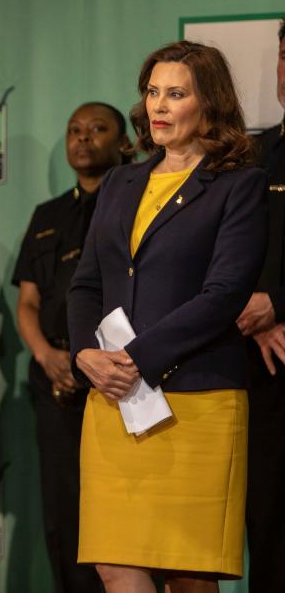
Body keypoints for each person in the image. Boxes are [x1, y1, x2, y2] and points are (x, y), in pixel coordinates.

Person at [67, 41, 267, 592]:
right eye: (152, 92)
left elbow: (225, 294)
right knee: (114, 563)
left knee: (189, 576)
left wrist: (134, 359)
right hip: (112, 399)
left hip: (196, 401)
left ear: (210, 104)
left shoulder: (238, 185)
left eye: (175, 94)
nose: (158, 105)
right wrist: (86, 353)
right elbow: (85, 283)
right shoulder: (120, 182)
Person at [14, 101, 130, 593]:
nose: (83, 138)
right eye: (74, 130)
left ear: (124, 143)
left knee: (124, 515)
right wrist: (46, 355)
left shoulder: (135, 201)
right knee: (65, 510)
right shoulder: (48, 215)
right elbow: (27, 303)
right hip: (57, 378)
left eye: (97, 129)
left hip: (122, 377)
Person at [238, 17, 285, 592]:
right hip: (263, 369)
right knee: (269, 529)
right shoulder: (251, 156)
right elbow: (217, 260)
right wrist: (252, 321)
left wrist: (278, 303)